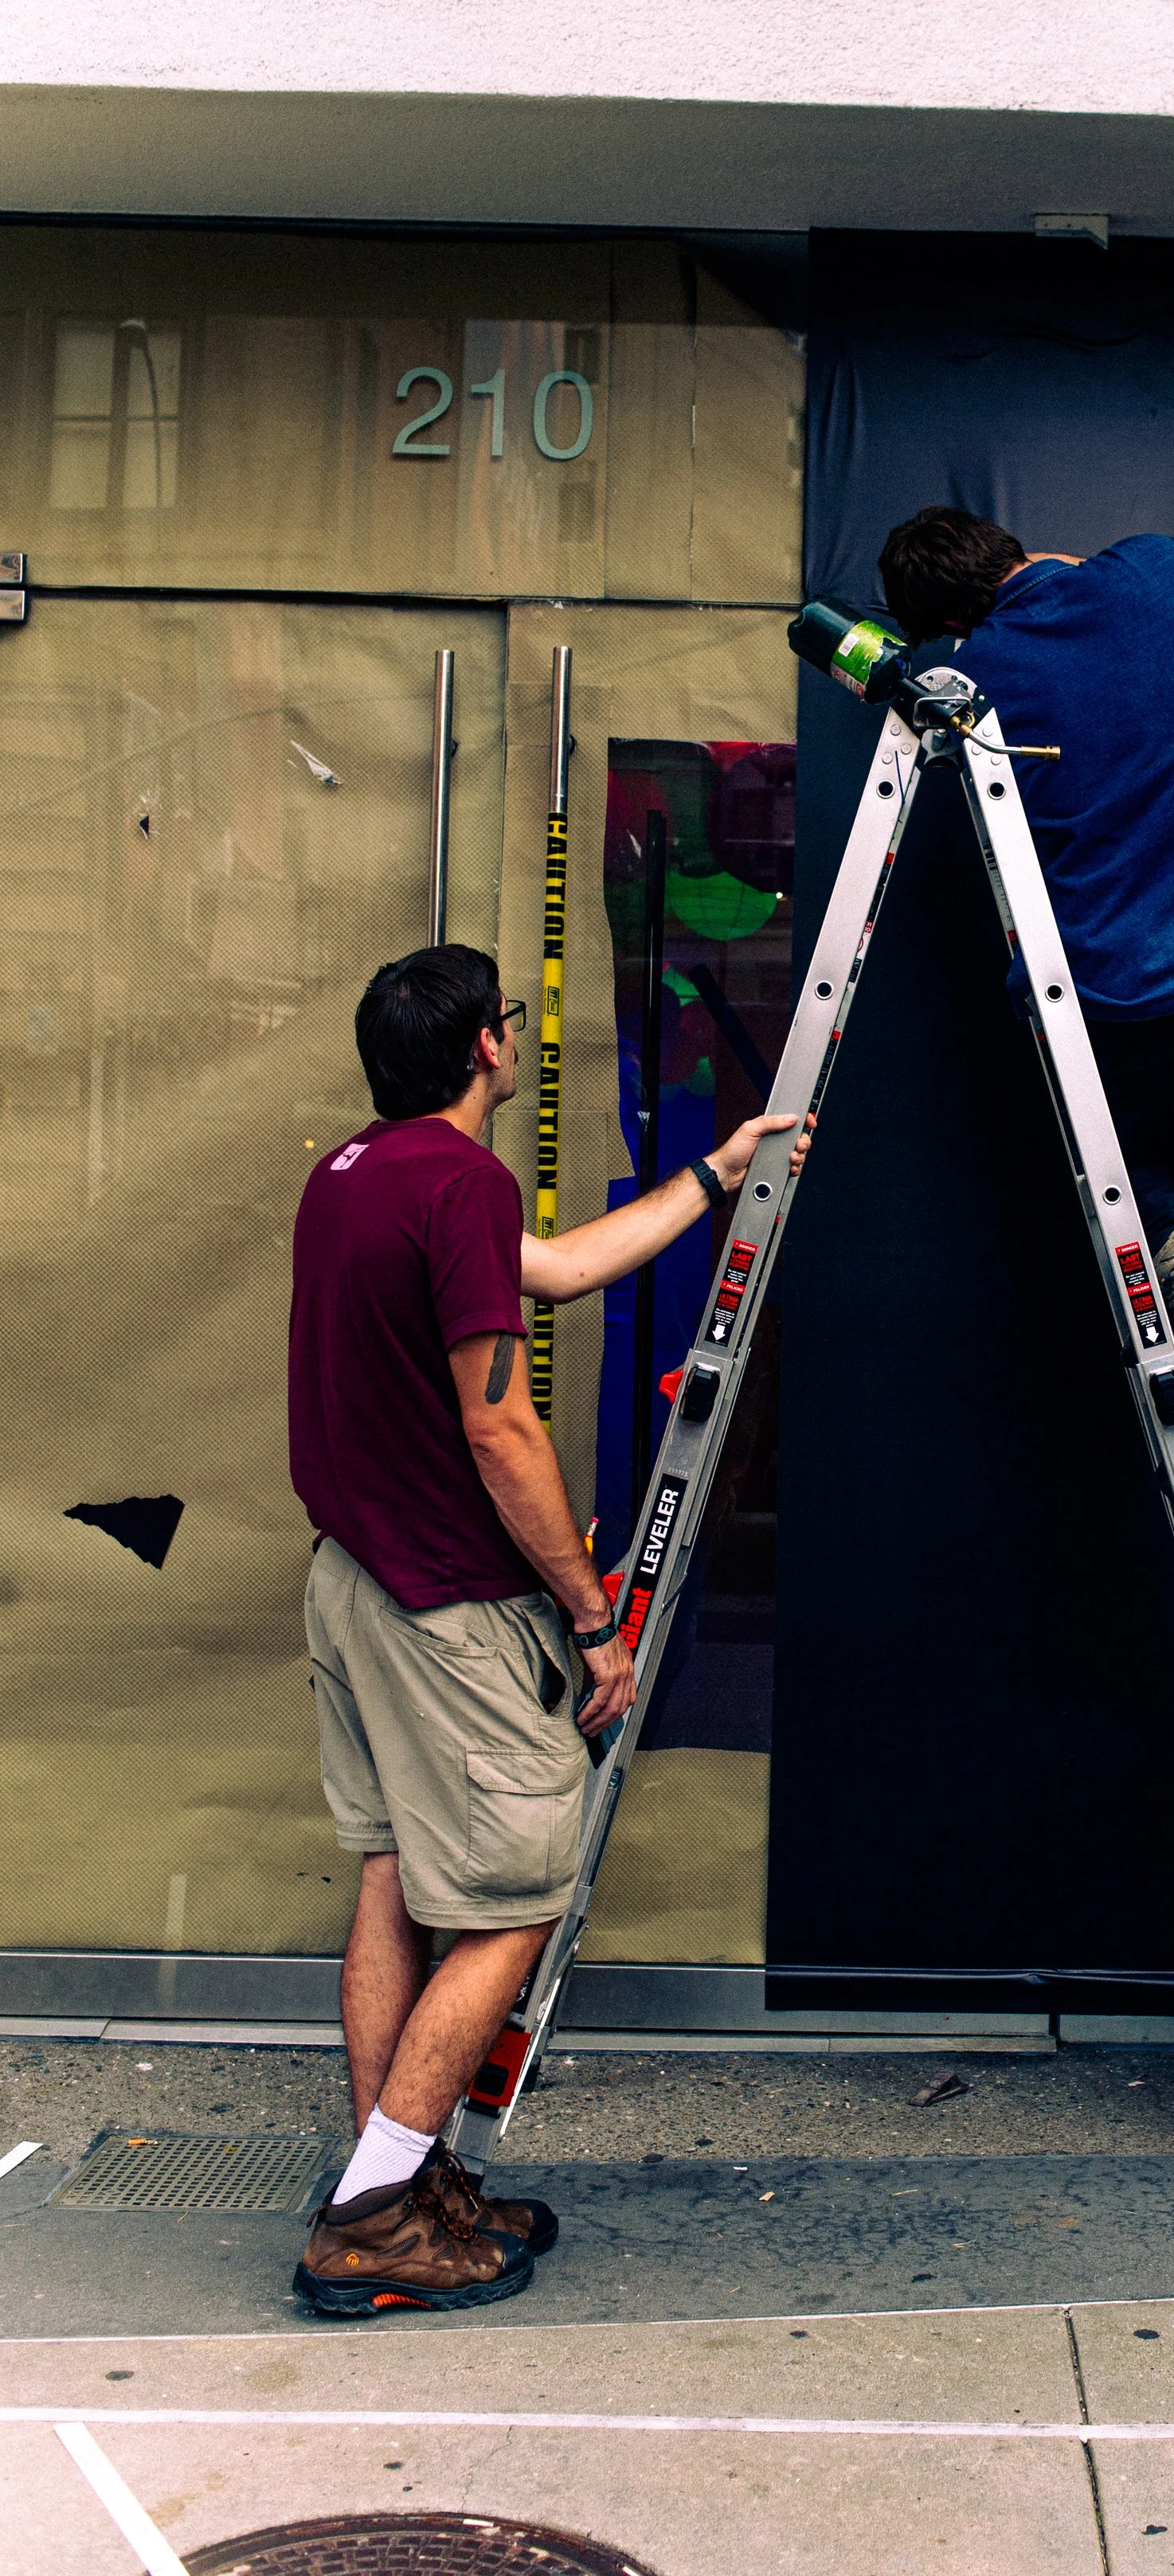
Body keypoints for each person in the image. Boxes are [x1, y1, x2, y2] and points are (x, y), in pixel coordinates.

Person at [289, 942, 805, 2316]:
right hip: (441, 1609)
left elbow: (561, 1270)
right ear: (486, 1048)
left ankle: (402, 2186)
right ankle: (371, 2221)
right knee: (520, 1900)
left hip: (352, 1585)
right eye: (510, 1024)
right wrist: (592, 1616)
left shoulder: (353, 1175)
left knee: (396, 1874)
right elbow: (500, 1425)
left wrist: (715, 1174)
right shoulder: (463, 1181)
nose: (515, 1040)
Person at [877, 506, 1174, 1578]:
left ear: (943, 620)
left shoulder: (971, 683)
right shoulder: (1154, 574)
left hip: (1111, 1003)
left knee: (1119, 1160)